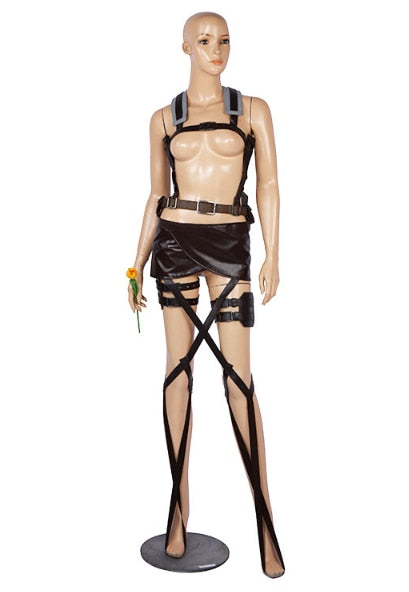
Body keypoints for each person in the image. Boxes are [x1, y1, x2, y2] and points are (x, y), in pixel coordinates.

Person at [128, 12, 285, 578]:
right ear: (185, 48)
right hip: (174, 245)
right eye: (203, 41)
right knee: (177, 373)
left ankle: (266, 522)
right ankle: (178, 513)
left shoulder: (252, 111)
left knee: (239, 381)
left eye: (224, 41)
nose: (216, 50)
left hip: (229, 244)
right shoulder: (163, 119)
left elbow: (269, 183)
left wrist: (273, 253)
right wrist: (135, 262)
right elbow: (156, 195)